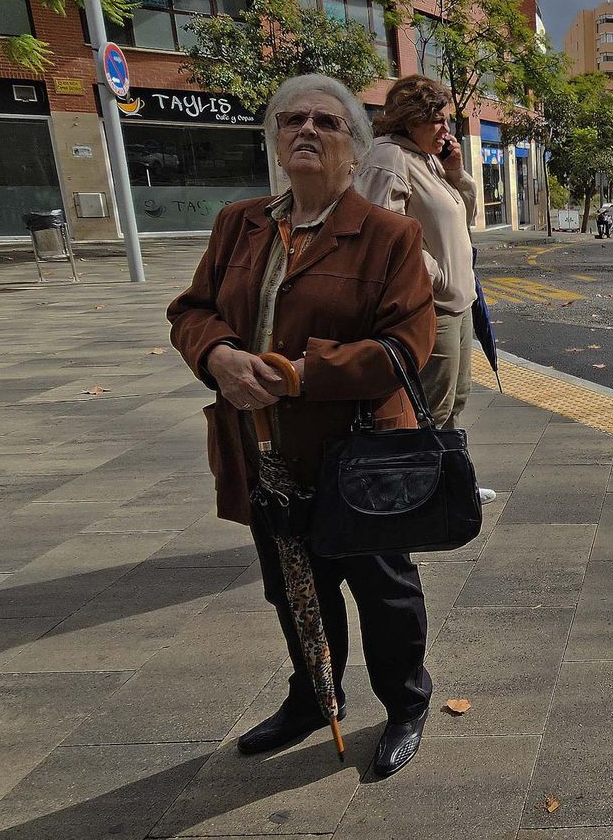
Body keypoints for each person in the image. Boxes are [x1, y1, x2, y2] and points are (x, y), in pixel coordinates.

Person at [167, 73, 438, 779]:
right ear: (274, 139)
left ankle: (406, 701)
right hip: (262, 452)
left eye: (326, 121)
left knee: (383, 589)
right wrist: (219, 353)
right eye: (291, 120)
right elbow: (191, 312)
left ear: (353, 147)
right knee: (291, 584)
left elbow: (403, 348)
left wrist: (296, 373)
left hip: (359, 455)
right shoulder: (240, 223)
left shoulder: (388, 235)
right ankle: (315, 696)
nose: (306, 130)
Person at [353, 74, 497, 503]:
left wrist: (456, 173)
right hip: (431, 307)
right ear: (409, 119)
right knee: (430, 405)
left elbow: (461, 217)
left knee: (454, 400)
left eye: (446, 120)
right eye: (436, 120)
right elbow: (382, 232)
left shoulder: (429, 159)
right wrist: (433, 276)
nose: (445, 130)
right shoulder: (390, 159)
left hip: (458, 302)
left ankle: (449, 483)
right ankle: (420, 496)